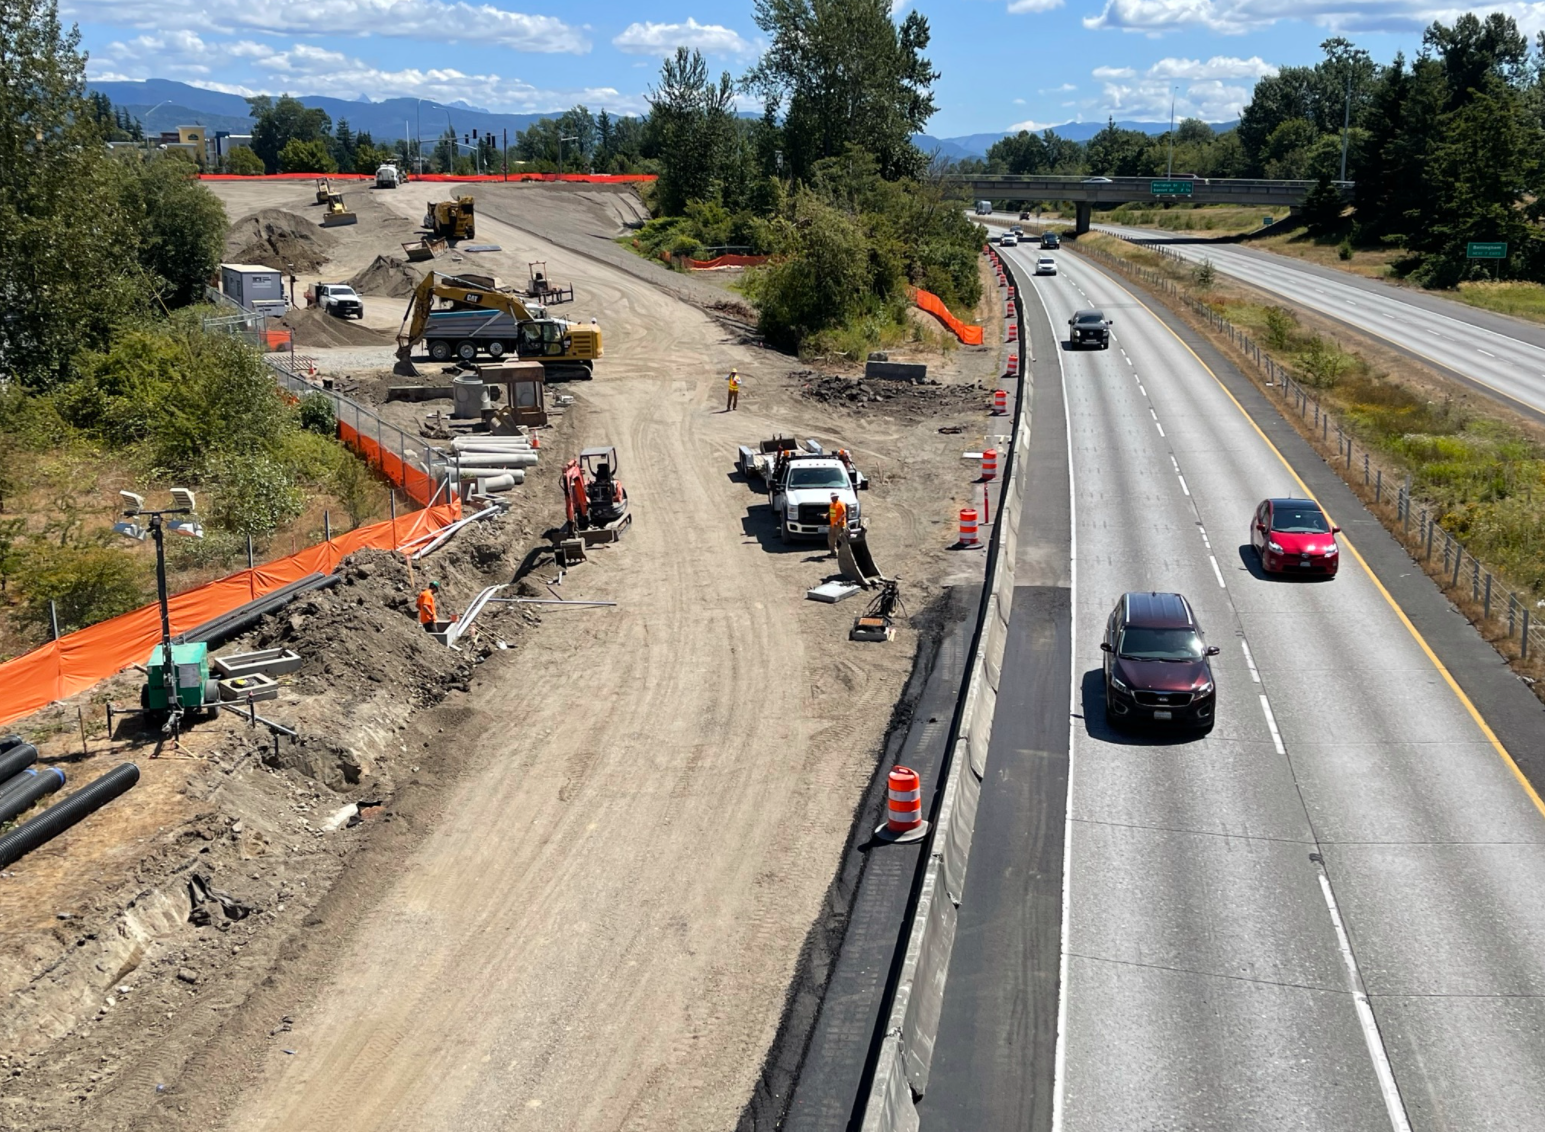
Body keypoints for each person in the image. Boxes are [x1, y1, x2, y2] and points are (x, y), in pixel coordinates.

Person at [827, 493, 848, 558]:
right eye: (831, 497)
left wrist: (838, 521)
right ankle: (833, 552)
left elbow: (844, 513)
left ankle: (846, 553)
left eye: (833, 497)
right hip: (833, 524)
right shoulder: (831, 504)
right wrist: (827, 515)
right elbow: (831, 512)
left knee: (841, 538)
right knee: (831, 538)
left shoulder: (841, 504)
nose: (831, 499)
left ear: (837, 497)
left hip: (839, 525)